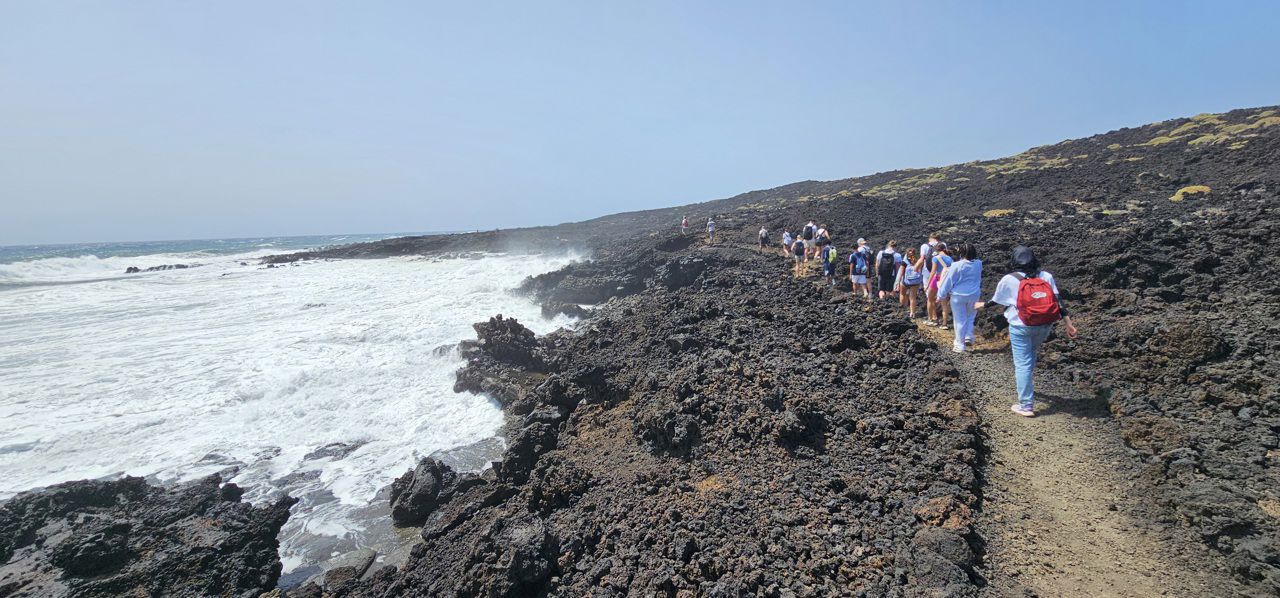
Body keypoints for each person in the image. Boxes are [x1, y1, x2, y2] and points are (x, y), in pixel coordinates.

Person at [976, 246, 1079, 417]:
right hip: (1045, 325)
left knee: (1022, 363)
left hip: (1020, 326)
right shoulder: (1046, 276)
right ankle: (1027, 388)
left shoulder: (1009, 279)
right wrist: (1069, 324)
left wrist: (983, 305)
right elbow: (1058, 301)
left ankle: (1026, 405)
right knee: (1030, 355)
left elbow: (997, 300)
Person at [936, 243, 983, 353]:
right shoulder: (979, 264)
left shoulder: (956, 265)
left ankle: (959, 345)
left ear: (961, 252)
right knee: (970, 316)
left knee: (959, 320)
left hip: (958, 295)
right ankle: (968, 336)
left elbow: (949, 281)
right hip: (974, 294)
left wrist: (941, 295)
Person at [927, 242, 953, 328]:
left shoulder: (936, 258)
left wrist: (928, 283)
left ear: (937, 250)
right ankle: (944, 324)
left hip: (937, 279)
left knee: (930, 299)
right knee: (944, 303)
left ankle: (931, 319)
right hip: (946, 281)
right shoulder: (950, 258)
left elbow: (933, 271)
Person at [898, 248, 925, 318]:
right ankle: (912, 313)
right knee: (913, 297)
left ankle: (902, 310)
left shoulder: (904, 262)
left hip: (906, 281)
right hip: (915, 281)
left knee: (902, 294)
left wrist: (898, 282)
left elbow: (901, 273)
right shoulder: (918, 261)